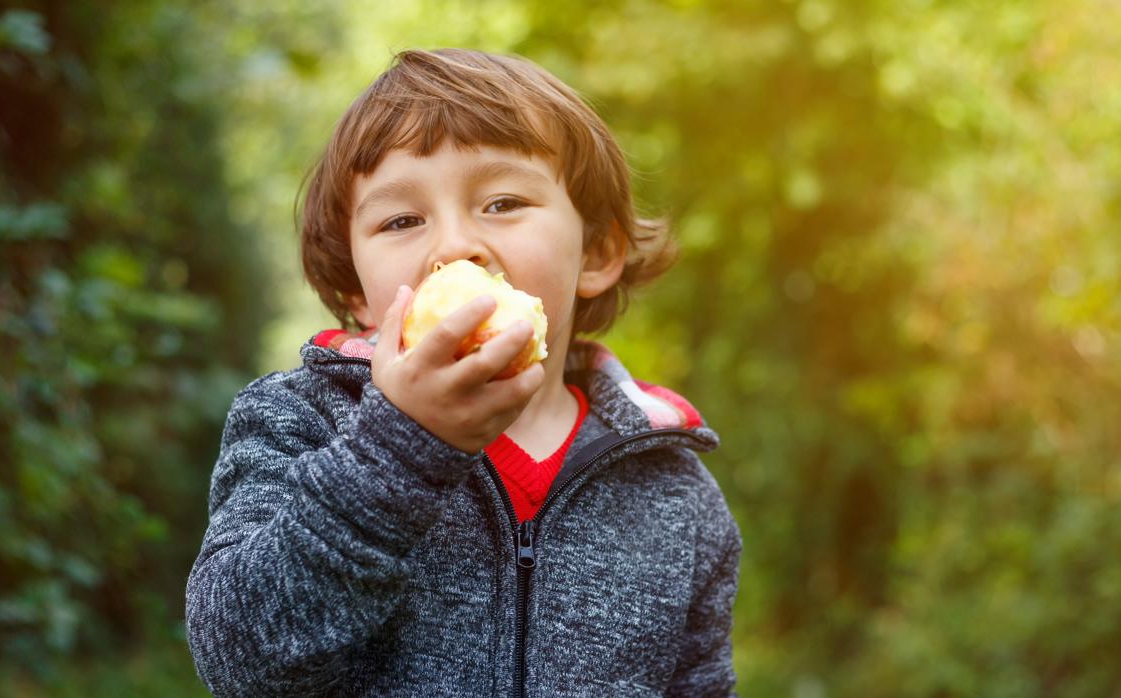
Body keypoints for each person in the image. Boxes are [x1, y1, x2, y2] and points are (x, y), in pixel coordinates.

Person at [185, 48, 741, 697]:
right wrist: (397, 449)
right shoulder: (302, 419)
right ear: (358, 290)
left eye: (502, 202)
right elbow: (238, 661)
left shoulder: (675, 490)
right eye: (401, 220)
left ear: (595, 251)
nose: (453, 246)